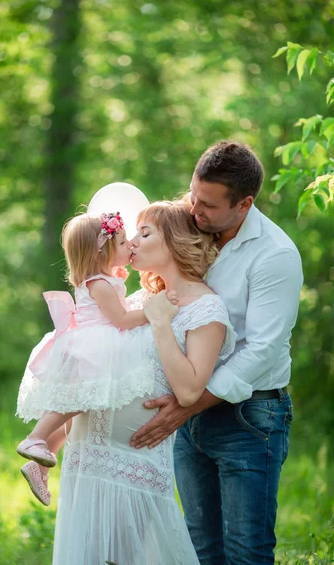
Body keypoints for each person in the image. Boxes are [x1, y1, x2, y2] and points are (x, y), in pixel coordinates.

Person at [130, 140, 303, 565]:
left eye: (207, 204)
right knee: (199, 549)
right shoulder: (193, 231)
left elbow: (261, 350)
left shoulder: (274, 255)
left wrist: (186, 406)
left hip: (249, 417)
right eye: (193, 195)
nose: (194, 209)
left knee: (246, 551)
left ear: (244, 205)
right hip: (188, 414)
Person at [35, 199, 236, 564]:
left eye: (144, 233)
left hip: (134, 464)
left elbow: (190, 391)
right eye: (131, 235)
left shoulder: (207, 309)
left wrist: (160, 322)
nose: (133, 243)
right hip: (89, 453)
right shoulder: (141, 297)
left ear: (174, 241)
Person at [16, 211, 153, 505]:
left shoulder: (102, 280)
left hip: (87, 343)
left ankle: (40, 463)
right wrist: (152, 312)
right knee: (74, 402)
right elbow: (122, 320)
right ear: (101, 251)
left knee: (72, 415)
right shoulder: (100, 284)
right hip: (93, 347)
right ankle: (34, 439)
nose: (130, 244)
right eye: (121, 241)